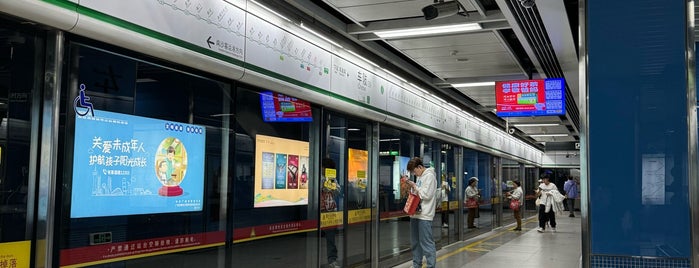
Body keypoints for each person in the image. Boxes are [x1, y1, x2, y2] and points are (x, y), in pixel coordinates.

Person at [403, 157, 437, 268]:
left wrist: (414, 186)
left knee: (426, 243)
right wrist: (411, 188)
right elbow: (417, 193)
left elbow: (426, 195)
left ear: (420, 167)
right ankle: (416, 264)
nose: (414, 173)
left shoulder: (430, 176)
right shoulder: (420, 177)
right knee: (415, 242)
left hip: (425, 215)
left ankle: (431, 265)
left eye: (414, 170)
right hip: (415, 214)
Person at [320, 158, 341, 268]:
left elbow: (337, 190)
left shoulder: (333, 179)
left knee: (331, 238)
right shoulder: (318, 177)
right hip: (320, 211)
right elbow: (320, 187)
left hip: (331, 211)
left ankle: (332, 260)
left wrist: (331, 183)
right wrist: (326, 183)